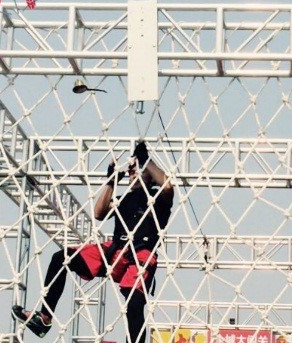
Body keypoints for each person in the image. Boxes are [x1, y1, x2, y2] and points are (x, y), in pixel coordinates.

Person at [12, 141, 174, 342]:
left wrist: (146, 159)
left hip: (140, 255)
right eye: (132, 169)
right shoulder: (124, 198)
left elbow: (168, 185)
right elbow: (99, 213)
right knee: (62, 257)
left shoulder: (158, 197)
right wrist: (111, 182)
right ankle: (44, 318)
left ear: (149, 174)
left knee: (134, 302)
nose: (133, 171)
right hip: (115, 251)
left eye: (138, 168)